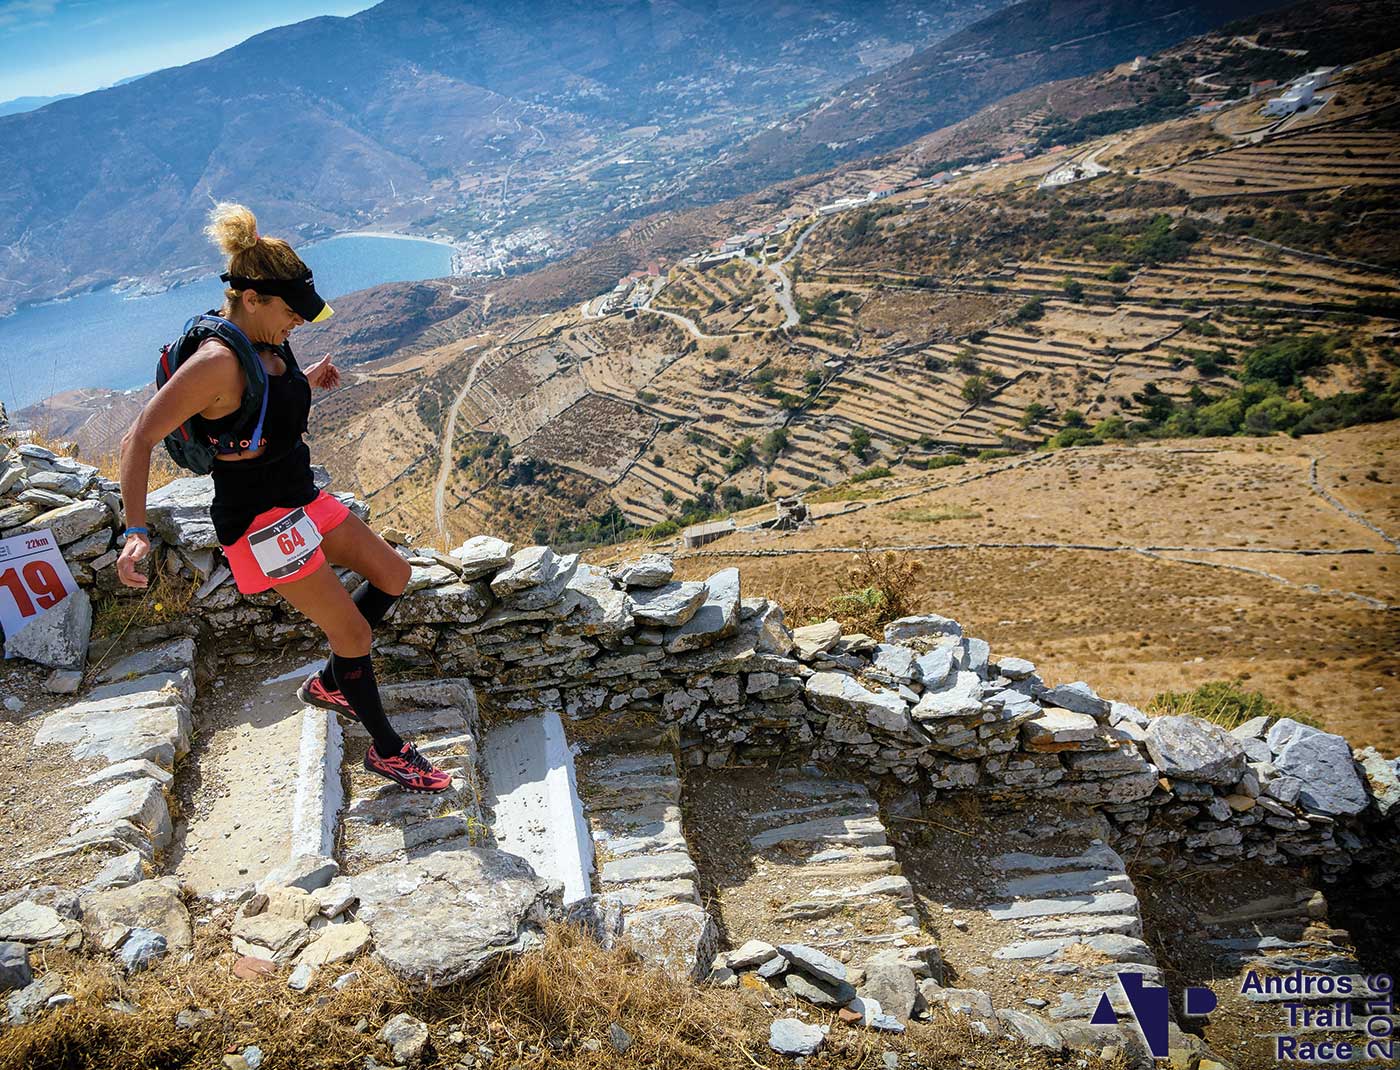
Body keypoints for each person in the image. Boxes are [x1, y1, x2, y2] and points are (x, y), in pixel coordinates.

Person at [115, 203, 450, 793]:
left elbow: (261, 408)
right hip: (261, 519)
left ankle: (332, 682)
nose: (297, 320)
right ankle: (388, 750)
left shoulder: (269, 342)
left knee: (394, 574)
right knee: (354, 634)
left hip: (300, 494)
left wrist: (306, 379)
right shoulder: (216, 362)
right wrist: (136, 531)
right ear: (251, 298)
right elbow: (136, 438)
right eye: (290, 311)